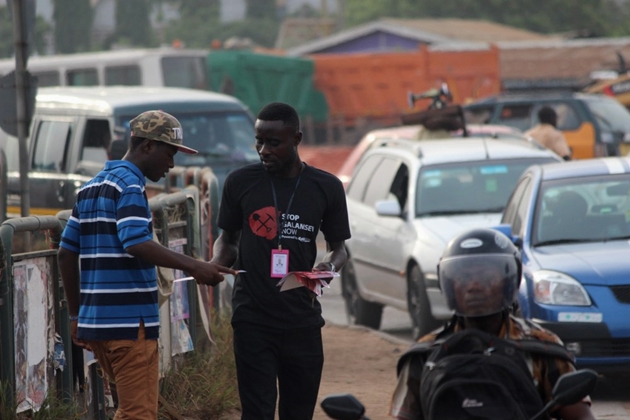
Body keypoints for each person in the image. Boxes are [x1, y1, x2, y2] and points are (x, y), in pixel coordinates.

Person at [57, 109, 238, 420]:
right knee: (138, 415)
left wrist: (77, 315)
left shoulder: (91, 187)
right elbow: (135, 242)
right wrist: (195, 267)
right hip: (130, 325)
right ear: (147, 147)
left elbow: (65, 252)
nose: (171, 165)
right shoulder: (130, 186)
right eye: (169, 154)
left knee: (128, 411)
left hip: (98, 326)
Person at [210, 102, 351, 420]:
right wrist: (217, 262)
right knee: (257, 412)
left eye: (274, 142)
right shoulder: (240, 182)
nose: (263, 150)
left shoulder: (325, 187)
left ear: (297, 138)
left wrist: (327, 269)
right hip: (252, 319)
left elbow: (339, 248)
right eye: (259, 141)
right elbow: (228, 238)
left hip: (302, 320)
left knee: (297, 413)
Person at [390, 228, 595, 420]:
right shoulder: (424, 355)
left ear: (509, 280)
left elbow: (581, 416)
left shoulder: (542, 348)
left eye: (486, 276)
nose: (474, 286)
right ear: (449, 284)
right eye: (464, 277)